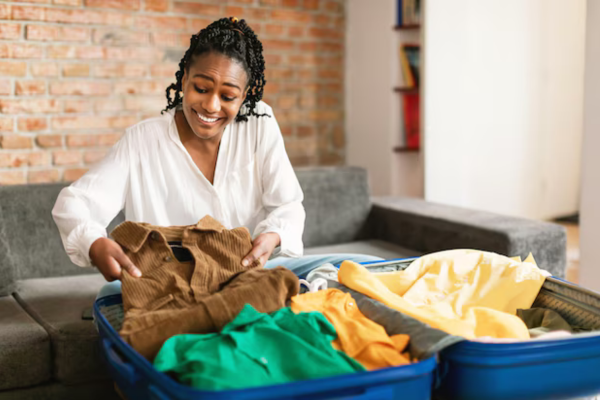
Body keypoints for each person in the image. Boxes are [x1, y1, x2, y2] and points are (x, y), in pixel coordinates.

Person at [52, 17, 382, 299]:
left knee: (362, 267)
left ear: (244, 97)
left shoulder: (259, 124)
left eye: (227, 96)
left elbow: (287, 205)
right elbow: (75, 203)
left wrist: (273, 236)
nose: (211, 106)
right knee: (110, 295)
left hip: (247, 276)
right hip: (173, 285)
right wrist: (94, 242)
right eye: (201, 88)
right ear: (184, 80)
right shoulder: (142, 140)